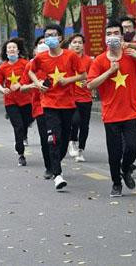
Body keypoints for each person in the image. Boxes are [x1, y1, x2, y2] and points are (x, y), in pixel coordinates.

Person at [87, 20, 136, 198]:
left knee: (134, 147)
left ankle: (125, 168)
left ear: (122, 36)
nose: (112, 37)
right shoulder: (99, 60)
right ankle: (116, 183)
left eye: (116, 33)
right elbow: (90, 85)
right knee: (114, 153)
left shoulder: (131, 55)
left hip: (131, 111)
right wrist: (109, 72)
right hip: (111, 113)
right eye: (109, 34)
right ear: (104, 38)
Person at [28, 24, 88, 190]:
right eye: (47, 35)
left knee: (63, 139)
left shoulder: (70, 56)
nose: (50, 38)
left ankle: (56, 161)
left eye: (53, 35)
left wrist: (68, 80)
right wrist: (38, 83)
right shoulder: (41, 57)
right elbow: (31, 71)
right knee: (53, 137)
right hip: (49, 104)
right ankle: (57, 174)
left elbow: (83, 74)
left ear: (60, 38)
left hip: (67, 103)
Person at [0, 38, 33, 166]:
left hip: (26, 100)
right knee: (18, 126)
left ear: (18, 50)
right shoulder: (3, 67)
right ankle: (21, 153)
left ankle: (24, 135)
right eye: (9, 48)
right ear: (6, 52)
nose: (11, 49)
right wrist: (3, 90)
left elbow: (30, 78)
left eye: (14, 47)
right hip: (10, 101)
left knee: (26, 122)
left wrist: (20, 84)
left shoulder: (25, 64)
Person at [23, 38, 54, 178]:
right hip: (40, 106)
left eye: (45, 44)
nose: (43, 46)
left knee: (59, 138)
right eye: (40, 44)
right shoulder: (30, 66)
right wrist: (33, 85)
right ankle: (50, 167)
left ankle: (56, 162)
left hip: (59, 105)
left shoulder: (58, 62)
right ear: (35, 50)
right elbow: (22, 87)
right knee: (46, 138)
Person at [66, 34, 94, 162]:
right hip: (70, 97)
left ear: (83, 45)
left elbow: (94, 76)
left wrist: (88, 81)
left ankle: (81, 150)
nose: (77, 45)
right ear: (70, 45)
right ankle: (72, 140)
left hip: (86, 98)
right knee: (75, 121)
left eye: (79, 42)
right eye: (74, 42)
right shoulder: (66, 59)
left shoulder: (89, 61)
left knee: (84, 126)